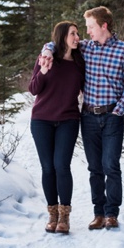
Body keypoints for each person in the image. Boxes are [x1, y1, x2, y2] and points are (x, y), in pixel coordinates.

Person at [40, 6, 124, 230]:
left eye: (90, 27)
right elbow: (58, 43)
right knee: (95, 167)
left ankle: (112, 214)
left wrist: (117, 110)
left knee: (110, 165)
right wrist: (47, 51)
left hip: (113, 115)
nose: (87, 32)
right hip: (88, 117)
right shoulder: (85, 48)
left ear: (103, 26)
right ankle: (98, 213)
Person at [28, 21, 85, 234]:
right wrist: (42, 70)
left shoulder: (80, 62)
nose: (77, 37)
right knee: (48, 168)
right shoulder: (47, 58)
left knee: (62, 165)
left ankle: (65, 216)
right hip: (41, 120)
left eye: (78, 33)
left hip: (68, 120)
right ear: (62, 37)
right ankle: (52, 214)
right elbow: (33, 89)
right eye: (73, 33)